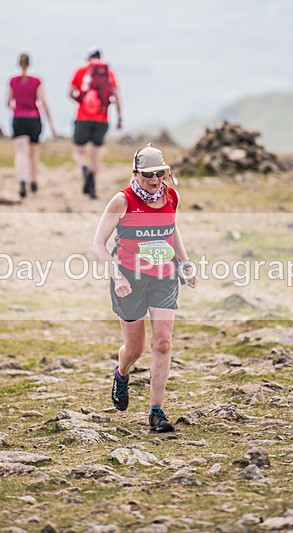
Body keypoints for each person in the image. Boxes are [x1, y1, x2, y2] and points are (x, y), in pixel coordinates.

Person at [92, 144, 198, 432]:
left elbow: (172, 228)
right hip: (129, 278)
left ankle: (156, 412)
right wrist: (118, 277)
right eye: (148, 174)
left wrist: (185, 262)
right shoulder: (122, 201)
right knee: (135, 349)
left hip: (164, 276)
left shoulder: (171, 196)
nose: (155, 180)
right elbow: (98, 244)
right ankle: (121, 373)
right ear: (136, 173)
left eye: (159, 173)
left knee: (162, 343)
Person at [69, 47, 122, 200]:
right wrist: (119, 118)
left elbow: (70, 93)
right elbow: (116, 96)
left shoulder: (81, 71)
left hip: (82, 117)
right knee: (96, 153)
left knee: (78, 151)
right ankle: (92, 184)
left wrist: (82, 101)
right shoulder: (109, 73)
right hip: (102, 118)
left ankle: (84, 168)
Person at [7, 52, 56, 199]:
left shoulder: (13, 81)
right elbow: (42, 101)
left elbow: (8, 102)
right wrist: (51, 124)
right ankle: (33, 182)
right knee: (33, 153)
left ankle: (22, 180)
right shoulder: (36, 81)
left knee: (20, 153)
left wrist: (16, 110)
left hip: (19, 118)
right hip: (34, 119)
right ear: (29, 64)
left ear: (19, 64)